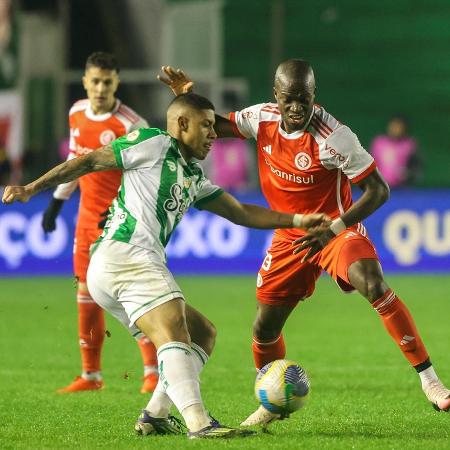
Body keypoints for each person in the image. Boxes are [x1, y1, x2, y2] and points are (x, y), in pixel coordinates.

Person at [2, 92, 331, 438]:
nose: (213, 134)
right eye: (206, 125)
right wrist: (32, 187)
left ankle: (156, 414)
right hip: (126, 255)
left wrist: (297, 219)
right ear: (182, 124)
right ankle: (199, 423)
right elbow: (88, 161)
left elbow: (240, 211)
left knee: (202, 333)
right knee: (173, 328)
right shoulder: (153, 142)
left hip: (120, 267)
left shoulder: (192, 175)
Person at [158, 61, 450, 425]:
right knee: (264, 327)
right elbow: (213, 125)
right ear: (276, 96)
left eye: (305, 99)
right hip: (289, 236)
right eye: (290, 99)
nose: (297, 108)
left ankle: (431, 382)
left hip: (334, 229)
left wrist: (335, 227)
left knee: (373, 283)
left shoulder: (335, 137)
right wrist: (187, 98)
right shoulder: (260, 118)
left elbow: (379, 189)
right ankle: (270, 403)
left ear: (315, 96)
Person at [41, 52, 158, 393]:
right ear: (85, 82)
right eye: (95, 81)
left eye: (107, 81)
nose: (101, 88)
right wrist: (57, 201)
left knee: (123, 294)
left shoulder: (130, 124)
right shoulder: (76, 112)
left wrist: (131, 207)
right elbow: (75, 160)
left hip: (119, 221)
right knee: (85, 293)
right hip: (86, 218)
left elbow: (146, 173)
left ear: (117, 82)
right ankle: (91, 375)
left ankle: (152, 370)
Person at [369, 115, 422, 188]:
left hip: (401, 189)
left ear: (404, 129)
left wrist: (408, 174)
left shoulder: (409, 144)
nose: (395, 129)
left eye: (398, 127)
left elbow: (417, 168)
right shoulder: (379, 142)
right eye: (393, 126)